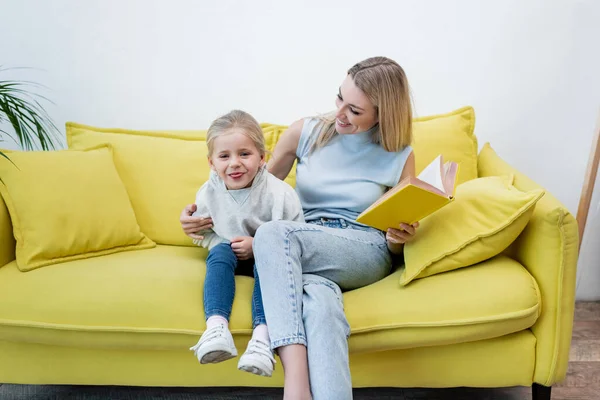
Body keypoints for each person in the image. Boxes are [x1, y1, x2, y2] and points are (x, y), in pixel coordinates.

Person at [180, 57, 419, 400]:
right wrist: (198, 219)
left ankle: (295, 385)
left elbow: (395, 239)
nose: (339, 114)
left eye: (354, 110)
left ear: (382, 114)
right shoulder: (306, 132)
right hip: (302, 241)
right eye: (340, 99)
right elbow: (255, 190)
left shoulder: (399, 154)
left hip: (362, 247)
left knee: (274, 233)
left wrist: (398, 239)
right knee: (320, 305)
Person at [187, 110, 304, 378]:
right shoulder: (209, 192)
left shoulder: (280, 194)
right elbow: (205, 233)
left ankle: (262, 339)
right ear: (211, 162)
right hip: (230, 254)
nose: (234, 164)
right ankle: (216, 328)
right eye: (224, 156)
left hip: (270, 258)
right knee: (219, 253)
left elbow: (296, 236)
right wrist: (204, 231)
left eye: (244, 154)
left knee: (269, 267)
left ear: (263, 157)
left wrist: (259, 243)